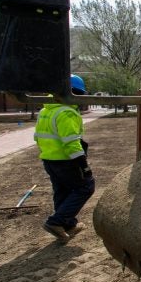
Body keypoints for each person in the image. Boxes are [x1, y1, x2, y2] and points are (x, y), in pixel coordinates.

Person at [35, 74, 95, 243]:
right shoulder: (66, 112)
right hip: (66, 160)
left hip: (49, 159)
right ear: (71, 93)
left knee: (62, 190)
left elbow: (38, 138)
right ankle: (56, 222)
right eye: (78, 94)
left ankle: (67, 225)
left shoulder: (45, 111)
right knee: (86, 187)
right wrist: (83, 165)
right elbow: (70, 143)